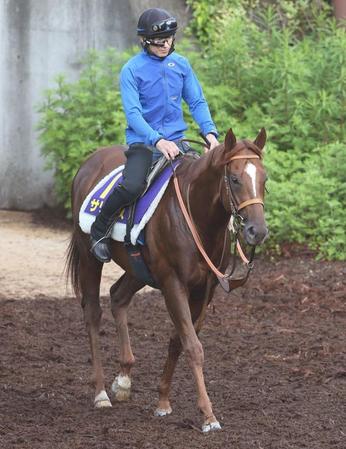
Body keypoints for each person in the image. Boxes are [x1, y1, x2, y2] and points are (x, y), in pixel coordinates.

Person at [90, 7, 219, 263]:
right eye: (159, 42)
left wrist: (210, 134)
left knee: (206, 181)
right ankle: (99, 229)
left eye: (169, 40)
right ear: (144, 41)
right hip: (145, 143)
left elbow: (197, 102)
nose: (165, 45)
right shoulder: (131, 69)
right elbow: (134, 115)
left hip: (178, 141)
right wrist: (157, 139)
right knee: (132, 186)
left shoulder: (181, 64)